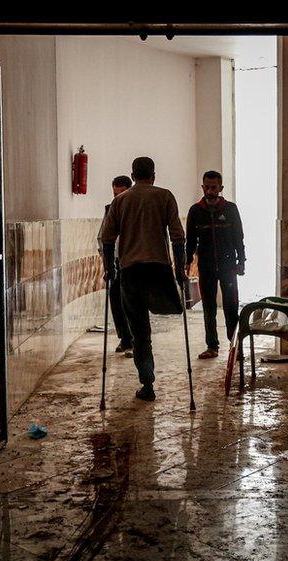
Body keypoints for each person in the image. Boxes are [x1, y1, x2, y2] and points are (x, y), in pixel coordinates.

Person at [100, 157, 187, 401]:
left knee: (140, 333)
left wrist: (110, 268)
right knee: (166, 314)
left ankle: (147, 384)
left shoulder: (120, 201)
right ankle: (148, 379)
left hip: (131, 272)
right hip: (158, 270)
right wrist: (180, 269)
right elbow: (178, 237)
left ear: (133, 174)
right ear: (153, 174)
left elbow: (107, 239)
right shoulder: (165, 196)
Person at [184, 170, 246, 359]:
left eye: (214, 187)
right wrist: (187, 262)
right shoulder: (195, 211)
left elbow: (238, 237)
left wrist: (241, 261)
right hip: (207, 267)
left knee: (231, 307)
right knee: (209, 308)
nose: (210, 191)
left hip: (229, 267)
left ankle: (235, 347)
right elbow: (190, 241)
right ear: (202, 187)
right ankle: (212, 346)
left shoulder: (230, 209)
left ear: (221, 188)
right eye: (207, 187)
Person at [98, 175, 134, 357]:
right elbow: (102, 236)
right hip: (116, 262)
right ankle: (125, 338)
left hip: (133, 261)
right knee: (116, 301)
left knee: (131, 303)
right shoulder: (110, 209)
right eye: (115, 194)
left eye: (121, 194)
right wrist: (107, 262)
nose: (117, 198)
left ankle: (133, 340)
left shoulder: (136, 209)